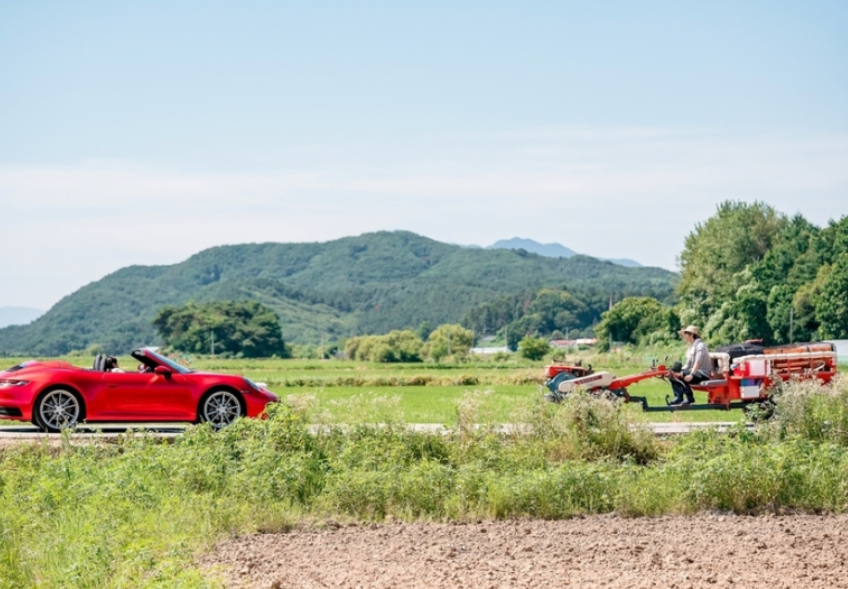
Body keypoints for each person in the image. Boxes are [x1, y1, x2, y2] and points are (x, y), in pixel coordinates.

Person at [669, 325, 711, 405]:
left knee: (681, 374)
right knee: (672, 373)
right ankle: (678, 396)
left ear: (691, 335)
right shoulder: (692, 346)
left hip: (703, 373)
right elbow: (688, 364)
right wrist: (677, 372)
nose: (684, 336)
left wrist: (691, 374)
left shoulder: (700, 346)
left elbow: (698, 361)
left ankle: (689, 397)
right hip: (696, 372)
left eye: (685, 334)